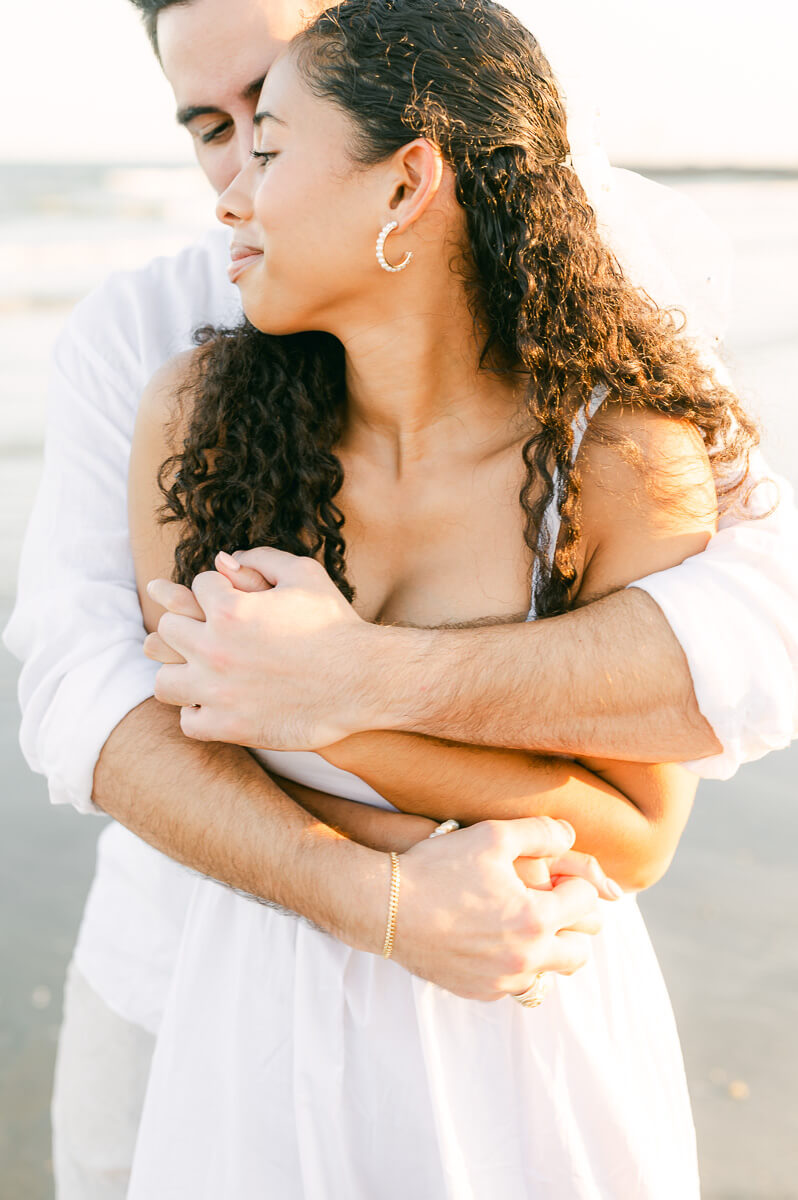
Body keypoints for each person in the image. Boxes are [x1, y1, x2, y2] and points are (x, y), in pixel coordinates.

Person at [1, 0, 795, 1195]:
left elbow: (674, 771)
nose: (228, 180)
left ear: (407, 168)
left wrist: (331, 694)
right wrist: (391, 891)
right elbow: (105, 692)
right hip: (230, 980)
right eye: (208, 129)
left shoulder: (616, 423)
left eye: (267, 125)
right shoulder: (185, 396)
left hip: (528, 995)